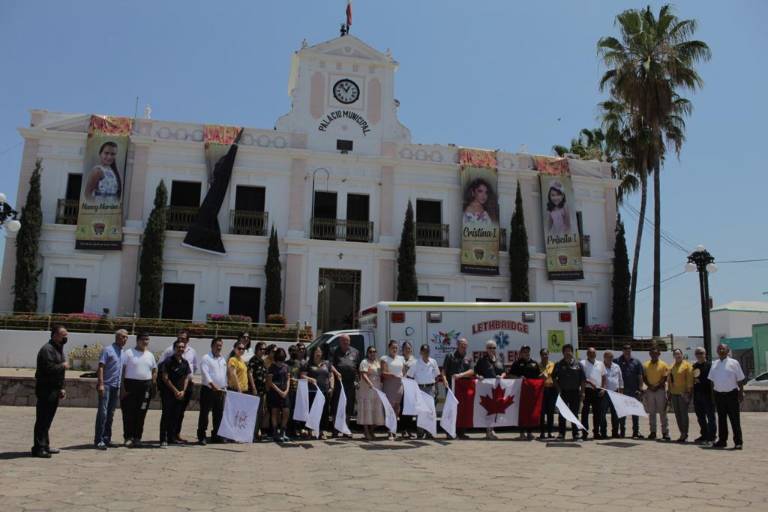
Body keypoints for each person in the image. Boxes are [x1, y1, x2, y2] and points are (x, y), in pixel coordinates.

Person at [32, 325, 70, 458]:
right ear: (55, 335)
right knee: (42, 419)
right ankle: (38, 448)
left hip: (54, 389)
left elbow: (60, 373)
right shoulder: (47, 350)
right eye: (63, 335)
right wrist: (62, 365)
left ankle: (45, 445)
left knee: (47, 420)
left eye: (66, 335)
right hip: (46, 390)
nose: (66, 337)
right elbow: (48, 369)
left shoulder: (58, 349)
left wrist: (62, 388)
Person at [160, 330, 198, 441]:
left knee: (179, 412)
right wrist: (175, 390)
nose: (181, 341)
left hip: (184, 388)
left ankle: (175, 435)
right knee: (167, 412)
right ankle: (164, 437)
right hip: (169, 389)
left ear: (188, 340)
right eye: (179, 338)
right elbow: (162, 369)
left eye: (184, 339)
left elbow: (192, 369)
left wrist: (183, 390)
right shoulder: (168, 353)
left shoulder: (190, 354)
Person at [120, 333, 157, 447]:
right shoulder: (128, 353)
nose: (145, 342)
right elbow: (122, 370)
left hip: (145, 386)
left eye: (147, 339)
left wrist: (153, 384)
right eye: (143, 339)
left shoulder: (150, 355)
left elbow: (154, 370)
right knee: (128, 413)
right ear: (137, 340)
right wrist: (123, 387)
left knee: (141, 413)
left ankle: (137, 437)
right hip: (130, 385)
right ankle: (128, 437)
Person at [94, 329, 127, 449]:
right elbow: (101, 367)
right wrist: (101, 383)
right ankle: (99, 440)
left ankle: (107, 438)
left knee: (111, 413)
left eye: (126, 337)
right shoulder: (108, 350)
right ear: (117, 337)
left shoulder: (123, 352)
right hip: (106, 385)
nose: (125, 339)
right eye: (123, 337)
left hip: (116, 386)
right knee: (102, 413)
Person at [709, 344, 745, 449]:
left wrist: (741, 393)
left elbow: (740, 380)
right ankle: (722, 441)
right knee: (721, 419)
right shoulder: (714, 364)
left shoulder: (734, 363)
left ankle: (738, 442)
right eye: (719, 348)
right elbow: (711, 381)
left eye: (723, 348)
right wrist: (713, 396)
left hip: (732, 395)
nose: (721, 350)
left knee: (735, 420)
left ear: (727, 350)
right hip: (719, 395)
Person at [406, 344, 444, 439]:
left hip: (430, 389)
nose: (426, 353)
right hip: (420, 389)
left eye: (427, 351)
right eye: (424, 351)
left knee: (430, 412)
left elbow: (437, 376)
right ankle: (420, 433)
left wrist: (436, 389)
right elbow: (409, 376)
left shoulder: (433, 362)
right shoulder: (415, 363)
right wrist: (413, 389)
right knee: (421, 411)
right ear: (420, 352)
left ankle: (429, 432)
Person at [441, 338, 474, 439]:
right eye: (462, 345)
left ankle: (461, 432)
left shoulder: (468, 357)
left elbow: (472, 371)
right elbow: (444, 371)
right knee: (450, 410)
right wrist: (445, 380)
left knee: (462, 410)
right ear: (457, 345)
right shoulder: (450, 356)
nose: (464, 347)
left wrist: (461, 375)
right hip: (452, 387)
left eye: (465, 345)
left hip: (463, 387)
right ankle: (449, 432)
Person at [474, 339, 506, 440]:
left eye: (494, 348)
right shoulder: (482, 360)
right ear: (486, 349)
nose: (492, 349)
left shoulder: (499, 360)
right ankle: (488, 431)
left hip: (497, 389)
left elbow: (504, 372)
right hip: (486, 389)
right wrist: (479, 376)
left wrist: (502, 376)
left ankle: (491, 429)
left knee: (496, 409)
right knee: (488, 409)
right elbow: (475, 372)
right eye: (490, 347)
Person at [197, 338, 227, 445]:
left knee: (218, 414)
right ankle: (201, 436)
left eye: (220, 346)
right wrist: (212, 385)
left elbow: (224, 375)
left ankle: (216, 435)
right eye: (217, 345)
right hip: (208, 390)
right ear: (212, 346)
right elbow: (205, 373)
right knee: (204, 414)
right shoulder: (206, 358)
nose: (219, 348)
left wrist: (224, 386)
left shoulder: (222, 359)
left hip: (220, 390)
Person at [553, 344, 585, 441]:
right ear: (563, 353)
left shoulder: (578, 364)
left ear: (572, 352)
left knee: (574, 413)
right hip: (563, 393)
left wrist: (583, 392)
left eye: (569, 350)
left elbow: (583, 380)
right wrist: (558, 389)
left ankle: (575, 434)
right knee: (562, 413)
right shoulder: (558, 364)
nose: (568, 352)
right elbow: (553, 377)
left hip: (575, 392)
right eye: (566, 351)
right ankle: (561, 434)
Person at [508, 345, 541, 440]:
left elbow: (538, 378)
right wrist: (518, 378)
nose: (526, 353)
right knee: (522, 412)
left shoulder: (534, 364)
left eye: (528, 351)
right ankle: (522, 432)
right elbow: (509, 375)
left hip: (531, 393)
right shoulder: (517, 363)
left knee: (531, 411)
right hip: (520, 392)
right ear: (521, 353)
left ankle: (529, 432)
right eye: (524, 351)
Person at [301, 346, 334, 438]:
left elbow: (331, 376)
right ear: (313, 353)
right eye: (316, 351)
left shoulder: (327, 363)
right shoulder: (307, 364)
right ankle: (310, 431)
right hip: (312, 391)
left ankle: (322, 431)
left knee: (324, 412)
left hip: (324, 391)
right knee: (311, 412)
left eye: (320, 351)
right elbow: (302, 376)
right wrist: (310, 379)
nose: (318, 353)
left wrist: (332, 387)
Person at [330, 334, 360, 437]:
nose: (345, 342)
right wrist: (336, 372)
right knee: (336, 406)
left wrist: (357, 381)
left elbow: (357, 368)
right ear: (339, 341)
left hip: (350, 384)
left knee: (349, 407)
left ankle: (346, 429)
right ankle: (335, 429)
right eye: (343, 341)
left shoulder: (355, 352)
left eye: (347, 341)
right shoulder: (334, 350)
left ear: (349, 341)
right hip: (338, 383)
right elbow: (330, 365)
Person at [616, 343, 644, 439]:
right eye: (625, 349)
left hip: (634, 391)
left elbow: (640, 376)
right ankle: (622, 432)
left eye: (629, 349)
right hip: (622, 392)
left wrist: (640, 389)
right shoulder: (617, 361)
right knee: (622, 413)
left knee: (635, 413)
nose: (627, 350)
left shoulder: (637, 362)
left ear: (631, 350)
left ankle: (635, 432)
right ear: (622, 350)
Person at [643, 346, 671, 441]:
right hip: (650, 391)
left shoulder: (664, 365)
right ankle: (653, 432)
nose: (654, 355)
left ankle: (665, 433)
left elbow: (664, 378)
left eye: (656, 353)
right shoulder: (646, 365)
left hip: (660, 391)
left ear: (659, 354)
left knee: (663, 412)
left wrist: (656, 386)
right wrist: (650, 386)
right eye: (652, 353)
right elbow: (644, 377)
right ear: (650, 354)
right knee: (652, 412)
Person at [358, 346, 386, 440]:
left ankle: (371, 430)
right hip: (367, 389)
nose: (372, 353)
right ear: (367, 353)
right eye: (370, 351)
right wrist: (369, 383)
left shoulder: (378, 362)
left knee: (375, 411)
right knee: (367, 410)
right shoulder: (364, 362)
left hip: (377, 389)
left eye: (374, 351)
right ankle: (366, 432)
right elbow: (363, 374)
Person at [380, 340, 405, 441]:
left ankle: (394, 430)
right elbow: (384, 373)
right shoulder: (384, 358)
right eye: (392, 347)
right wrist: (394, 376)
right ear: (389, 348)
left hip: (399, 385)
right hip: (389, 385)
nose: (394, 349)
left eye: (396, 347)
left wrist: (403, 378)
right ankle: (390, 431)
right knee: (389, 409)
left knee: (397, 408)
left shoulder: (401, 358)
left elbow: (404, 372)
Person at [580, 347, 606, 440]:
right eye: (590, 353)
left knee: (597, 413)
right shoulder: (582, 363)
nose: (592, 354)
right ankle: (584, 432)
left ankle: (596, 432)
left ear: (596, 354)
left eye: (593, 353)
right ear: (587, 354)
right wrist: (583, 391)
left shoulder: (601, 364)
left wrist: (603, 389)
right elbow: (582, 378)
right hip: (587, 390)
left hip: (598, 391)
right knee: (585, 412)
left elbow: (604, 377)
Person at [692, 347, 716, 445]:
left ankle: (712, 437)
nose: (699, 355)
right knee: (700, 417)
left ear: (705, 354)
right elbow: (694, 378)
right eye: (697, 353)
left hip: (708, 395)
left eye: (701, 353)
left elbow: (713, 381)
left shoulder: (710, 365)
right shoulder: (694, 366)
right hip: (697, 395)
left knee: (710, 417)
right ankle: (704, 435)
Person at [668, 348, 694, 443]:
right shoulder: (671, 366)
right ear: (673, 356)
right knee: (678, 415)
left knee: (683, 414)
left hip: (683, 394)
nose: (677, 355)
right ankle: (681, 433)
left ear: (682, 355)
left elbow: (690, 380)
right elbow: (669, 380)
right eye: (675, 354)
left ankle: (685, 434)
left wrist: (688, 392)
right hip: (674, 394)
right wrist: (669, 392)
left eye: (679, 354)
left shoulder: (687, 365)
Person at [267, 347, 291, 443]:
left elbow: (288, 379)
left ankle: (283, 431)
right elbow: (270, 382)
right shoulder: (271, 367)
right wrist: (279, 391)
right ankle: (275, 432)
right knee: (274, 412)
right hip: (274, 393)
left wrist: (286, 391)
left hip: (285, 393)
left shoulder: (286, 367)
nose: (281, 360)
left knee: (286, 411)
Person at [248, 341, 269, 441]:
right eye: (261, 349)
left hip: (262, 391)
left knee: (260, 413)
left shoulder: (263, 361)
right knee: (254, 413)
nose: (263, 351)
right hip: (255, 391)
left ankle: (256, 433)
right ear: (256, 350)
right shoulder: (253, 360)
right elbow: (250, 374)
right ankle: (252, 434)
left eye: (264, 349)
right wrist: (253, 387)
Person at [601, 351, 624, 438]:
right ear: (604, 357)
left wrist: (621, 392)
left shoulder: (616, 366)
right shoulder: (600, 366)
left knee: (615, 414)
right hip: (605, 393)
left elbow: (620, 380)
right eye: (608, 357)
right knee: (603, 414)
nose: (610, 359)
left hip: (615, 392)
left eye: (611, 357)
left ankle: (615, 432)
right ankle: (603, 432)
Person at [538, 348, 557, 439]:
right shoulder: (537, 365)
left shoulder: (553, 365)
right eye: (543, 354)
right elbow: (535, 377)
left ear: (548, 355)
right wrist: (541, 376)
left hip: (551, 390)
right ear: (540, 355)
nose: (545, 356)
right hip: (541, 390)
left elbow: (556, 376)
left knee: (550, 412)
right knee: (542, 413)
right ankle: (542, 433)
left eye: (546, 354)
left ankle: (550, 432)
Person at [400, 341, 417, 439]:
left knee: (410, 410)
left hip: (411, 386)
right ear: (402, 350)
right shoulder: (399, 359)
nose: (408, 350)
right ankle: (403, 430)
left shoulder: (414, 360)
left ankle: (410, 430)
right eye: (406, 348)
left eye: (409, 348)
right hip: (401, 386)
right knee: (402, 409)